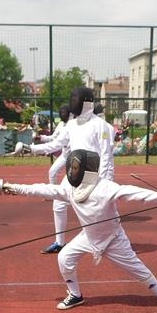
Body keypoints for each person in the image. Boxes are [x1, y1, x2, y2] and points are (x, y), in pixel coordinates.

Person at [0, 149, 157, 310]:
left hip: (112, 238)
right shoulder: (70, 189)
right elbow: (44, 189)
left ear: (86, 170)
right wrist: (14, 188)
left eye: (75, 168)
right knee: (64, 257)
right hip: (88, 236)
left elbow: (131, 192)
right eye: (71, 168)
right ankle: (75, 295)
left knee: (138, 269)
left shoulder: (105, 187)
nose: (71, 172)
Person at [16, 87, 115, 253]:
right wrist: (30, 148)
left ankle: (110, 239)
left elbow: (106, 155)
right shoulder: (71, 125)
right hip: (75, 172)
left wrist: (104, 182)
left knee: (101, 209)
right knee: (59, 204)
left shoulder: (101, 125)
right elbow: (55, 144)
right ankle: (59, 242)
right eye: (73, 99)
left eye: (76, 100)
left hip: (94, 174)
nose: (73, 103)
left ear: (86, 102)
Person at [34, 104, 72, 254]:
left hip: (76, 161)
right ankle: (55, 194)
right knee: (52, 172)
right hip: (66, 155)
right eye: (61, 111)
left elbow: (54, 145)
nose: (62, 113)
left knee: (87, 202)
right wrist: (41, 137)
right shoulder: (62, 125)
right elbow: (53, 139)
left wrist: (31, 148)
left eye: (64, 111)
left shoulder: (74, 126)